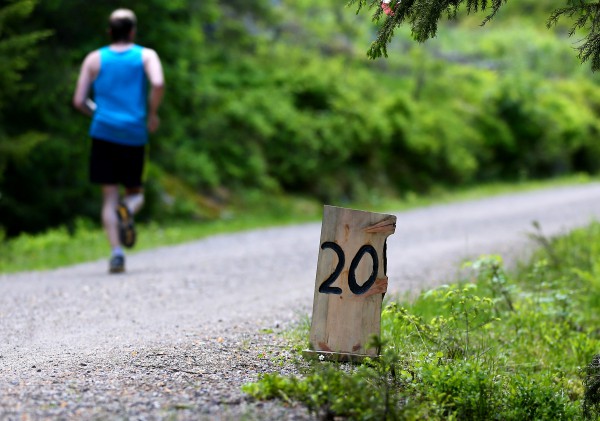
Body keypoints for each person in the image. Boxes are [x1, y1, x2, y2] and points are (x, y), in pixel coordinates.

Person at [73, 8, 165, 274]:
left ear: (110, 31)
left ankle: (116, 254)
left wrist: (98, 113)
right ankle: (128, 208)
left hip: (103, 133)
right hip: (134, 134)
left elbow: (79, 101)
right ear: (133, 31)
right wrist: (152, 114)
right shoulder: (146, 55)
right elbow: (158, 83)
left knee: (108, 198)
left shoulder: (94, 59)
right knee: (135, 193)